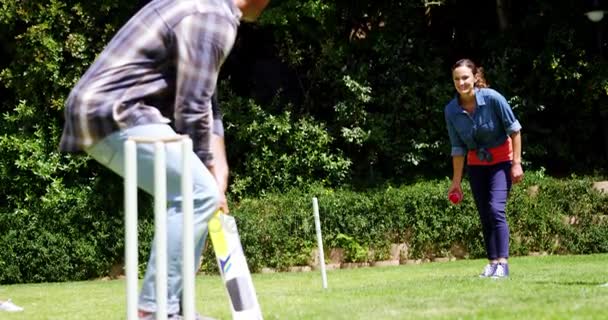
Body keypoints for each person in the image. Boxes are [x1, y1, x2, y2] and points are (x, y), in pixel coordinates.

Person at [59, 0, 269, 318]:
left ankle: (177, 309)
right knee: (198, 194)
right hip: (116, 109)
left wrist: (218, 165)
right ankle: (156, 310)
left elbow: (206, 98)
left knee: (200, 197)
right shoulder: (214, 16)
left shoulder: (207, 8)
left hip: (109, 108)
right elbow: (192, 106)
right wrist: (205, 171)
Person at [444, 58, 524, 279]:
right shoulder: (451, 110)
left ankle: (503, 264)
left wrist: (516, 163)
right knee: (484, 214)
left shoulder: (493, 98)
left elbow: (515, 130)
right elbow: (458, 148)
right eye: (457, 79)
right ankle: (492, 263)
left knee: (496, 209)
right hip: (476, 165)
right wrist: (456, 181)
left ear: (474, 77)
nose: (461, 83)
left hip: (501, 161)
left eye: (465, 78)